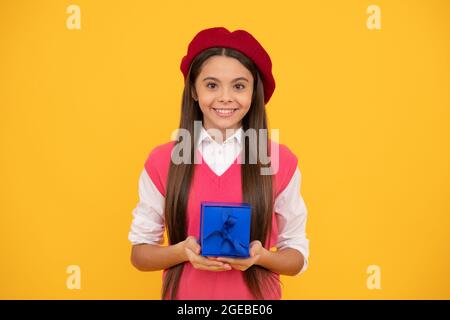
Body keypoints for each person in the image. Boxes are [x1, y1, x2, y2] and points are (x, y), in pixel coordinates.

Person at [128, 27, 309, 300]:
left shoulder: (280, 161)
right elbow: (140, 254)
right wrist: (182, 252)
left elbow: (296, 257)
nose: (225, 97)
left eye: (239, 86)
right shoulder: (162, 160)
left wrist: (260, 256)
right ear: (193, 90)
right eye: (212, 85)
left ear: (253, 93)